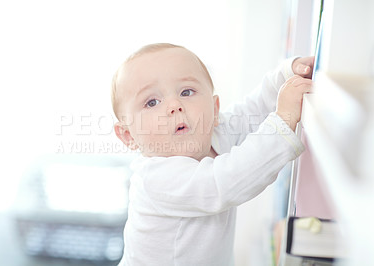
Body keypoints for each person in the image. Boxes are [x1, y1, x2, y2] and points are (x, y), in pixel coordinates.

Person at [111, 43, 313, 266]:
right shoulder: (156, 179)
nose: (174, 105)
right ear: (128, 135)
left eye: (186, 92)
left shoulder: (213, 135)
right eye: (152, 102)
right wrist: (283, 120)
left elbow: (251, 111)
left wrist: (286, 78)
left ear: (215, 109)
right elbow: (226, 181)